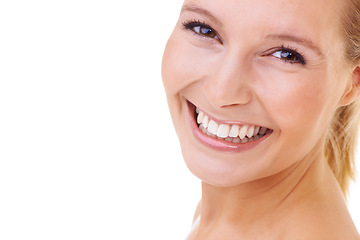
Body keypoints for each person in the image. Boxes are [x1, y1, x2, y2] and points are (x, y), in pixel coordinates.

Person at [161, 0, 360, 239]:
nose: (220, 93)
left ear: (353, 82)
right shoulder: (222, 218)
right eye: (204, 29)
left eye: (286, 55)